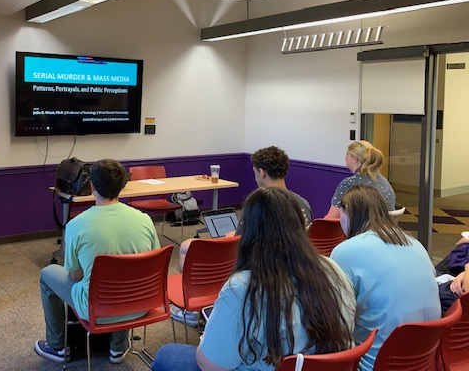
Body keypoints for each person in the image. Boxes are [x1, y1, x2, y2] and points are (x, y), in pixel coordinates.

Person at [152, 187, 355, 371]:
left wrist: (208, 340)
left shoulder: (242, 287)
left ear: (249, 230)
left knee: (165, 355)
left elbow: (211, 365)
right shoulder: (333, 268)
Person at [35, 159, 160, 364]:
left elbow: (76, 276)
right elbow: (151, 267)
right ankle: (118, 347)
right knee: (128, 275)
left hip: (95, 309)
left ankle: (57, 346)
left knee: (47, 274)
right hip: (140, 305)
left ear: (91, 186)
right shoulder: (144, 219)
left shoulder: (76, 225)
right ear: (123, 185)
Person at [172, 146, 312, 326]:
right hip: (295, 267)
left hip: (258, 269)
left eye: (254, 172)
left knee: (187, 246)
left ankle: (191, 312)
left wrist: (228, 236)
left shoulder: (257, 203)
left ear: (262, 172)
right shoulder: (303, 203)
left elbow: (238, 243)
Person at [330, 185, 441, 371]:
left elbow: (334, 318)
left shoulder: (346, 251)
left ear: (348, 212)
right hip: (423, 362)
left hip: (372, 363)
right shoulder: (416, 244)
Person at [324, 140, 395, 219]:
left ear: (354, 159)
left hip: (362, 230)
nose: (345, 157)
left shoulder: (349, 184)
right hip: (385, 230)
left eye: (347, 154)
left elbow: (330, 219)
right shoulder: (385, 182)